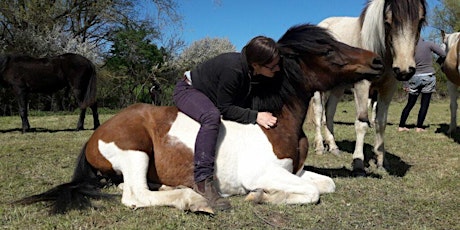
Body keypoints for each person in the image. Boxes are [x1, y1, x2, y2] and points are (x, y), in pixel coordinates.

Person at [173, 36, 280, 211]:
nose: (278, 69)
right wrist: (255, 116)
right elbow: (225, 108)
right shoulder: (234, 70)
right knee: (211, 116)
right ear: (256, 65)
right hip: (188, 90)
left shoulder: (251, 70)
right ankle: (202, 180)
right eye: (273, 66)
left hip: (209, 94)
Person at [398, 38, 446, 132]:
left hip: (414, 77)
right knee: (424, 104)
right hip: (428, 76)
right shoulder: (429, 44)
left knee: (410, 103)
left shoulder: (408, 48)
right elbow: (443, 54)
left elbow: (404, 66)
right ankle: (419, 127)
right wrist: (438, 62)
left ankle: (401, 126)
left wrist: (405, 83)